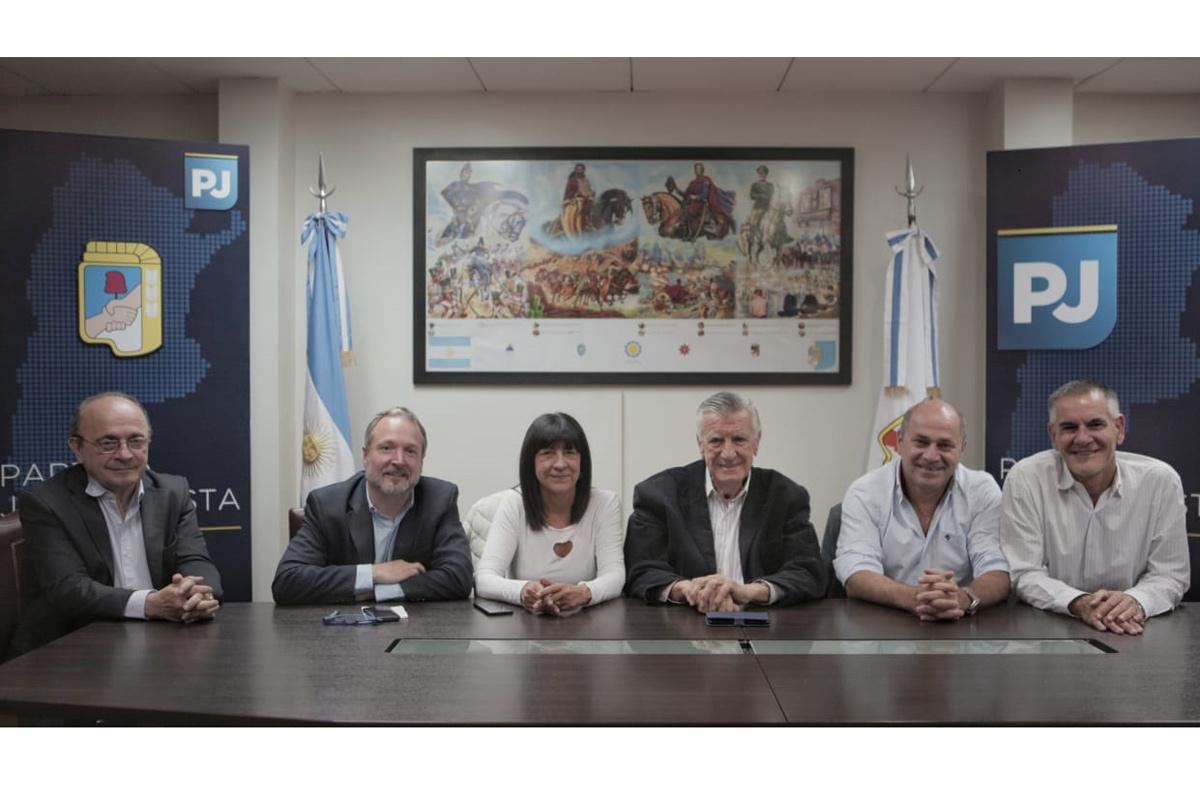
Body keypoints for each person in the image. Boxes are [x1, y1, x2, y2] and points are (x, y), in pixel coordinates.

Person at [9, 392, 221, 657]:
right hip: (70, 649)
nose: (125, 454)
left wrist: (196, 596)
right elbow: (69, 590)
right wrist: (150, 604)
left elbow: (198, 562)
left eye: (136, 441)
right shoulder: (46, 502)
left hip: (161, 642)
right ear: (77, 448)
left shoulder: (172, 492)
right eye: (108, 443)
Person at [1000, 379, 1190, 634]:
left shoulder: (1160, 481)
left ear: (1119, 428)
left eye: (1095, 424)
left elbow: (1171, 575)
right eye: (1069, 428)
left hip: (1134, 629)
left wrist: (1134, 601)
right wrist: (1079, 603)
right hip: (1048, 631)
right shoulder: (1026, 478)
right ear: (1053, 437)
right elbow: (1024, 573)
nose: (1082, 438)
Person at [624, 391, 825, 611]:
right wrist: (688, 589)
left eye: (739, 439)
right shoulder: (659, 494)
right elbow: (641, 570)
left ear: (756, 443)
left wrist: (749, 592)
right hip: (686, 621)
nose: (728, 453)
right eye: (716, 440)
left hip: (763, 622)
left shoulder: (785, 496)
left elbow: (808, 572)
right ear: (700, 445)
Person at [272, 406, 472, 605]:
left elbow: (459, 578)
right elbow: (287, 581)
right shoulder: (327, 504)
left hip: (415, 623)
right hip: (343, 624)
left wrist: (377, 592)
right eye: (387, 448)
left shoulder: (439, 500)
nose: (399, 460)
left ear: (421, 462)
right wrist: (373, 573)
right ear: (365, 456)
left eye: (410, 451)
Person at [834, 398, 1010, 620]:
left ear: (962, 449)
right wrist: (915, 598)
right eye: (921, 442)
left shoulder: (982, 490)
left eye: (945, 445)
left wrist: (963, 598)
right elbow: (855, 573)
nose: (931, 456)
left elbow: (998, 570)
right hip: (883, 624)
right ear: (899, 442)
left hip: (961, 624)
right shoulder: (865, 492)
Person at [475, 412, 624, 615]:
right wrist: (523, 590)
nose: (560, 464)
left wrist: (583, 593)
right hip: (522, 627)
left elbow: (615, 576)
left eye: (570, 452)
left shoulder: (604, 504)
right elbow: (484, 579)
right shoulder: (514, 503)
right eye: (547, 453)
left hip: (588, 626)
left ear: (583, 462)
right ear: (531, 462)